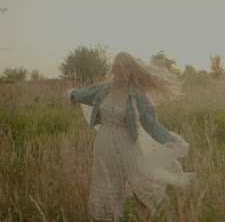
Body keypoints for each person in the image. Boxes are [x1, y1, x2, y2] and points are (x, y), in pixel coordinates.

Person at [67, 52, 194, 221]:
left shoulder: (137, 96)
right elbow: (82, 95)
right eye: (117, 66)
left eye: (125, 66)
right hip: (103, 147)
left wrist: (172, 141)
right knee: (106, 188)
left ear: (132, 70)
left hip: (127, 146)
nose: (121, 70)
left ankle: (150, 217)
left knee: (140, 186)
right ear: (113, 68)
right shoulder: (102, 90)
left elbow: (151, 125)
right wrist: (71, 94)